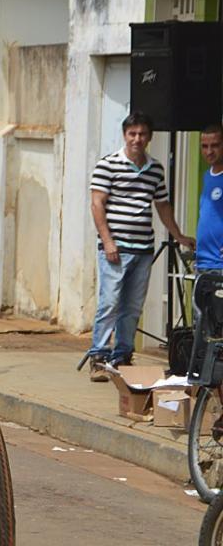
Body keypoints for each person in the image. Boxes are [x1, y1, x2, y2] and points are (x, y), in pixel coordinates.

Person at [87, 112, 195, 381]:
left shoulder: (155, 169)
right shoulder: (108, 165)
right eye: (132, 134)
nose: (137, 139)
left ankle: (122, 355)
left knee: (133, 306)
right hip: (115, 249)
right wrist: (108, 241)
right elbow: (97, 204)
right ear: (125, 135)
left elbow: (162, 205)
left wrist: (179, 236)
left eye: (142, 134)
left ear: (149, 137)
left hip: (143, 248)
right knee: (110, 301)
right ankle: (98, 357)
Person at [196, 124, 223, 274]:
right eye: (204, 146)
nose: (209, 151)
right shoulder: (207, 175)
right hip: (203, 261)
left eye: (215, 146)